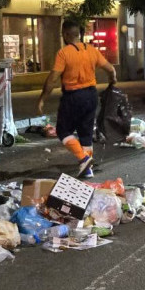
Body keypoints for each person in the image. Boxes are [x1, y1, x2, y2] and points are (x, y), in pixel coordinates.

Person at [37, 20, 117, 178]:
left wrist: (42, 99)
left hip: (73, 97)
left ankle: (83, 158)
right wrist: (112, 81)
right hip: (91, 95)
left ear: (66, 35)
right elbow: (111, 70)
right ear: (79, 34)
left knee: (63, 130)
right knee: (85, 132)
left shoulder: (64, 53)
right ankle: (87, 169)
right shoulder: (92, 50)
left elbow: (52, 79)